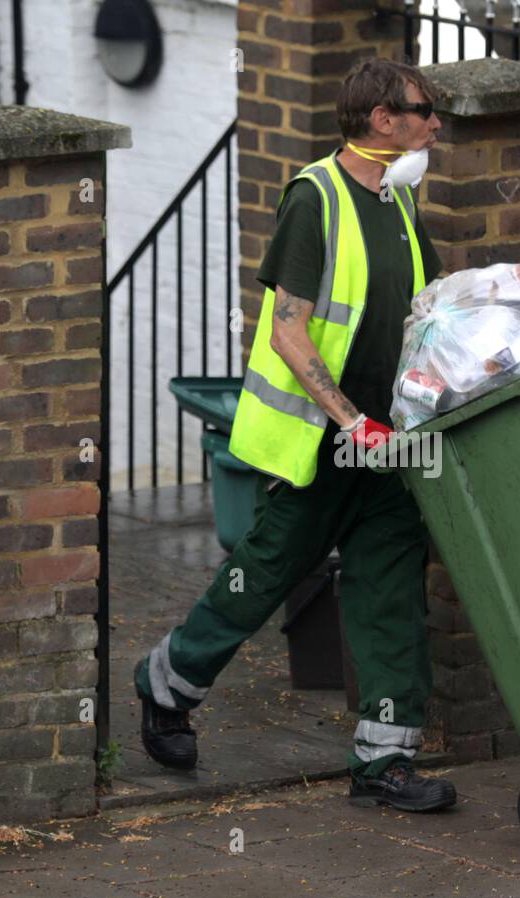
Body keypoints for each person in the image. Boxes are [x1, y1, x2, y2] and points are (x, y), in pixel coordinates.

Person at [133, 58, 457, 813]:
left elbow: (427, 311)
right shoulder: (316, 198)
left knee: (390, 596)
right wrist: (351, 421)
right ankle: (166, 683)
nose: (434, 123)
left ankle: (384, 763)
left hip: (389, 447)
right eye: (423, 109)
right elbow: (288, 331)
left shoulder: (399, 204)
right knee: (263, 577)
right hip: (326, 444)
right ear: (382, 119)